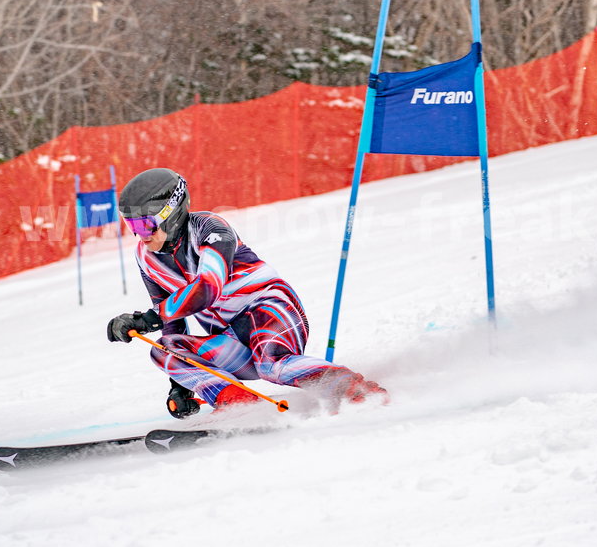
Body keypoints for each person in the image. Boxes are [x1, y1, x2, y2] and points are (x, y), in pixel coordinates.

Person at [105, 167, 387, 418]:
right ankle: (237, 403)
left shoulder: (210, 228)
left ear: (171, 213)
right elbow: (170, 321)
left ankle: (352, 387)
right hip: (231, 337)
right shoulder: (145, 256)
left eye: (145, 225)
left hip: (271, 310)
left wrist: (149, 318)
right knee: (162, 350)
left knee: (270, 366)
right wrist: (182, 386)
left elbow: (208, 288)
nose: (141, 235)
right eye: (132, 226)